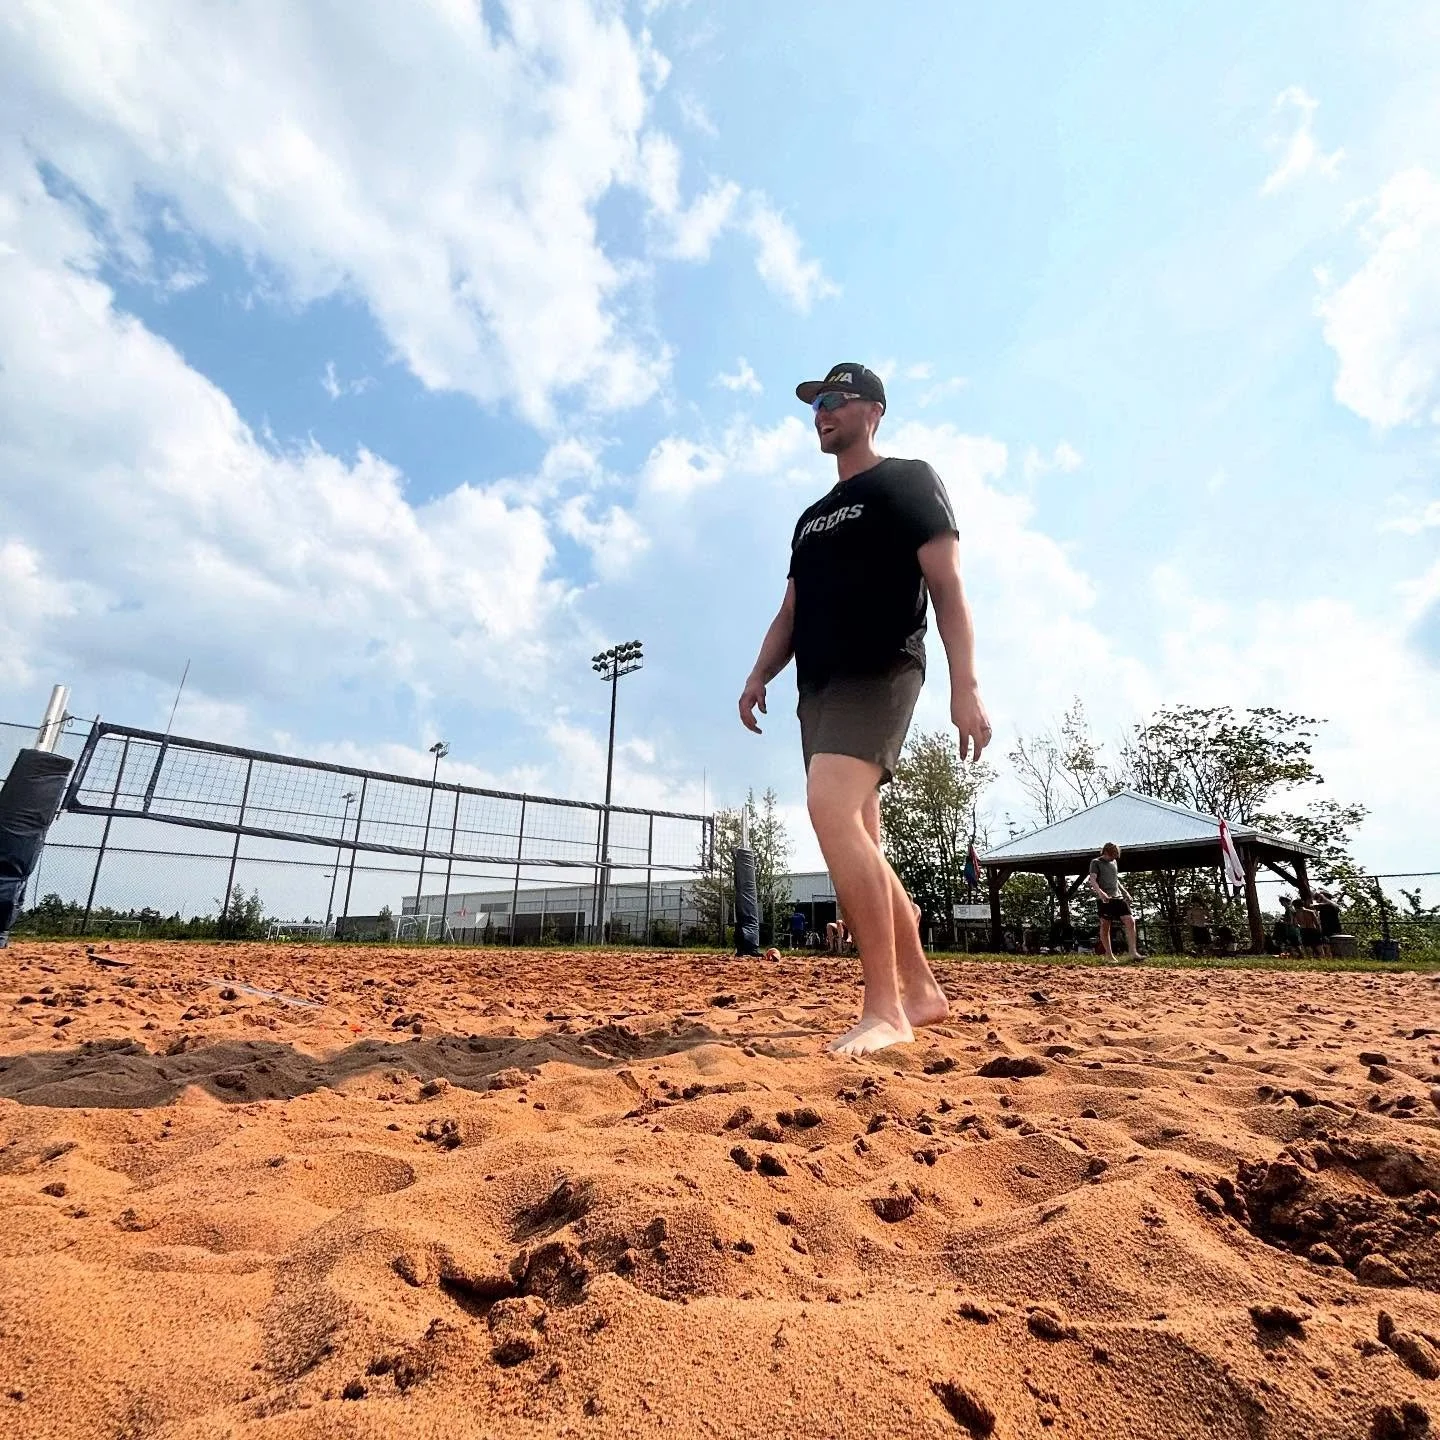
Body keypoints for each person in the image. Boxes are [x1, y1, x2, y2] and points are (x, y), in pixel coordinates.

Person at [738, 362, 991, 1055]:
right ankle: (922, 989)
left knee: (829, 809)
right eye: (814, 403)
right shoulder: (811, 518)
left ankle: (885, 1009)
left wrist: (963, 684)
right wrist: (760, 672)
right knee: (864, 844)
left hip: (882, 667)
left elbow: (947, 584)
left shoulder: (907, 479)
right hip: (815, 686)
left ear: (872, 410)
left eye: (834, 400)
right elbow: (790, 610)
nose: (821, 411)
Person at [1086, 842, 1145, 963]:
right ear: (1106, 852)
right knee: (1105, 926)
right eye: (1113, 855)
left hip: (1118, 897)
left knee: (1130, 921)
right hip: (1105, 899)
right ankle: (1109, 955)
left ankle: (1133, 952)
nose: (1115, 858)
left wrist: (1125, 892)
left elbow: (1116, 880)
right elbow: (1092, 880)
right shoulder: (1095, 862)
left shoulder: (1114, 862)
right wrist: (1101, 893)